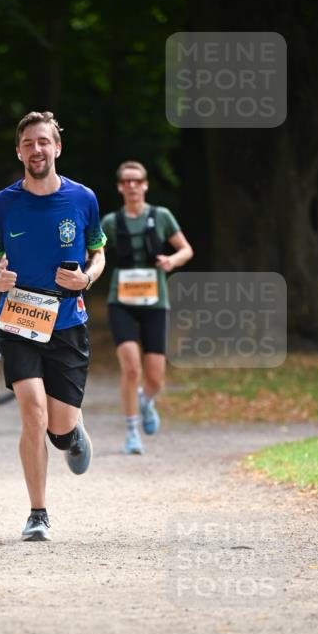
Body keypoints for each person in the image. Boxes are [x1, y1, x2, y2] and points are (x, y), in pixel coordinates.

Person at [0, 111, 106, 541]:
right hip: (18, 319)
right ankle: (38, 512)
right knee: (31, 411)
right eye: (29, 143)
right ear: (19, 151)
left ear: (57, 148)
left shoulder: (83, 198)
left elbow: (99, 253)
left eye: (43, 142)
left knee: (57, 428)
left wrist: (87, 277)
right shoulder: (5, 203)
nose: (36, 149)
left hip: (68, 322)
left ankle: (71, 431)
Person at [101, 160, 193, 454]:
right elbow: (95, 255)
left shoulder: (161, 216)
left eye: (136, 181)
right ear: (119, 187)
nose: (131, 186)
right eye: (126, 181)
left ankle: (147, 401)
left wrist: (171, 261)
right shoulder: (111, 223)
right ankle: (131, 432)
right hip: (122, 301)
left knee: (155, 377)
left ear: (145, 185)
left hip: (155, 301)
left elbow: (186, 249)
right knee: (131, 368)